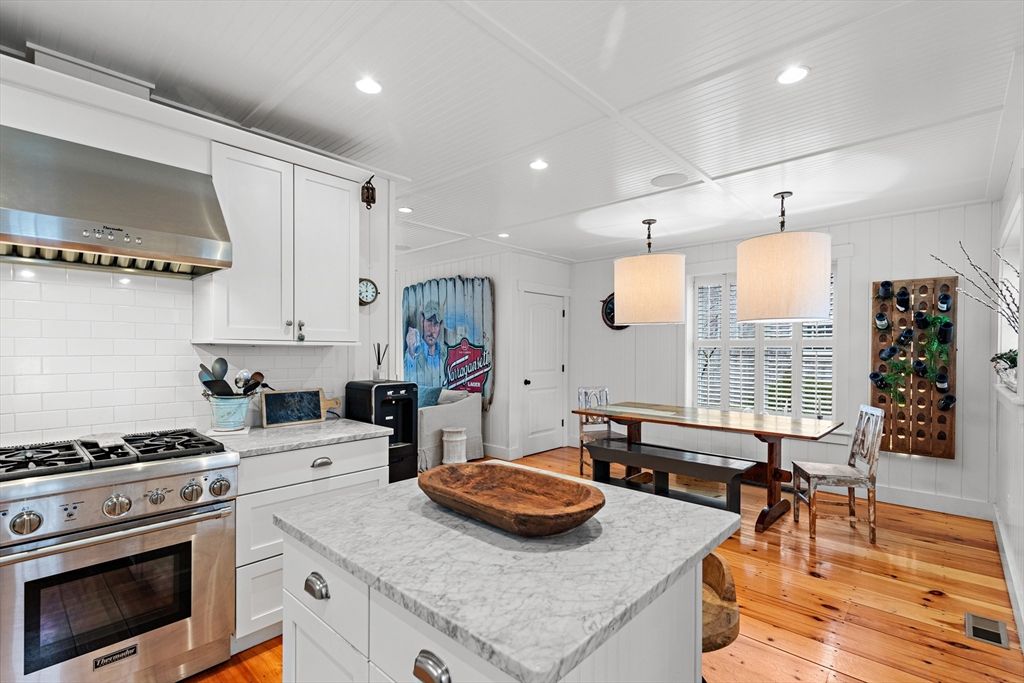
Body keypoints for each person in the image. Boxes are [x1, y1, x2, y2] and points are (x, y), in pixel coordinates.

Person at [416, 301, 446, 387]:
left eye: (436, 324)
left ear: (440, 326)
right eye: (429, 322)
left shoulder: (445, 354)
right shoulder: (413, 353)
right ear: (422, 321)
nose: (432, 330)